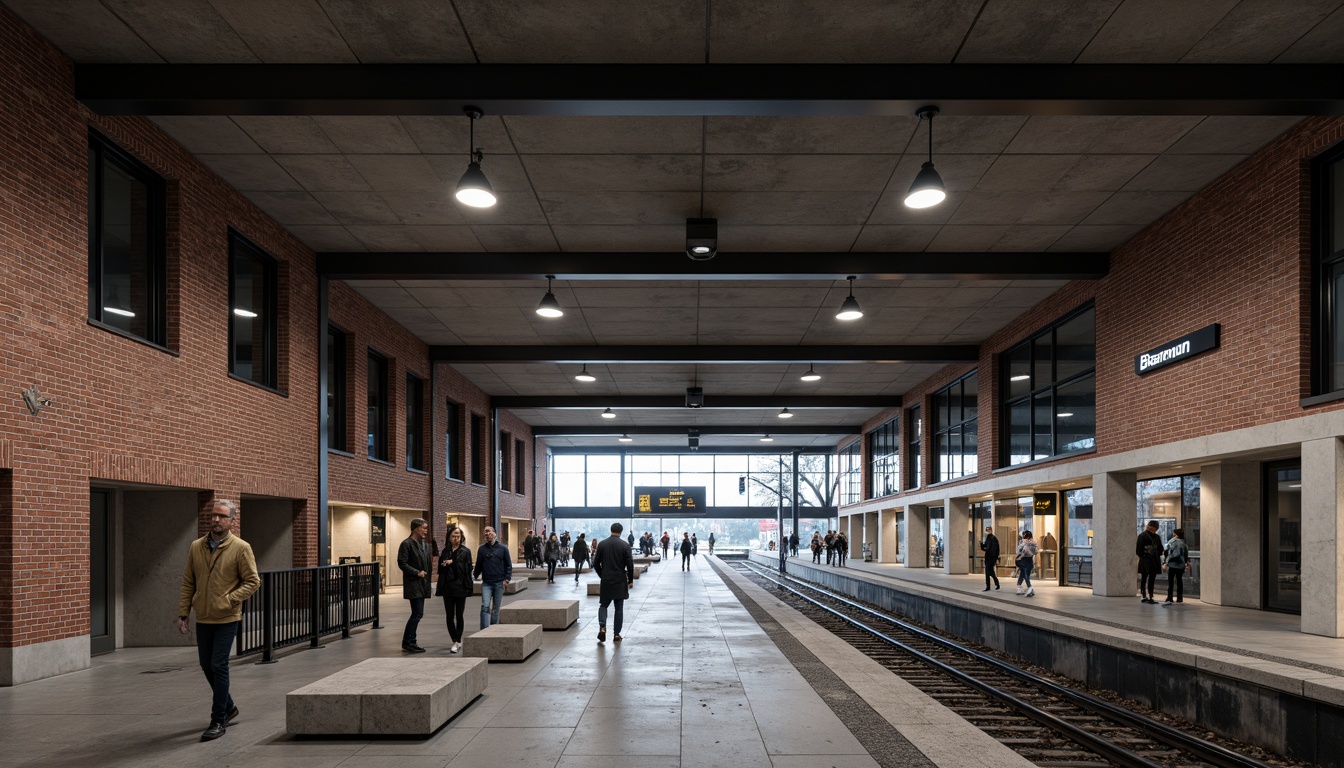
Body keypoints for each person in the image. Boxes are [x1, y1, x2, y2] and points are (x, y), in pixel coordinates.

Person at [178, 499, 261, 742]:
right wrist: (184, 613)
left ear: (232, 521)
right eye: (214, 515)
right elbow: (188, 582)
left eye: (222, 516)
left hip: (227, 617)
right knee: (206, 665)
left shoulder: (241, 547)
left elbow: (253, 581)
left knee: (219, 664)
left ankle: (217, 719)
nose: (216, 519)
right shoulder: (196, 546)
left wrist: (230, 600)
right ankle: (230, 706)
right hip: (203, 617)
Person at [593, 522, 635, 643]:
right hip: (620, 581)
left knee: (603, 605)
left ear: (611, 530)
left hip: (606, 581)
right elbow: (630, 565)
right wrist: (630, 580)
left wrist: (603, 575)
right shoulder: (625, 545)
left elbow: (595, 564)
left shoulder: (602, 544)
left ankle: (602, 627)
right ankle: (616, 634)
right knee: (619, 608)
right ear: (621, 531)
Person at [397, 517, 433, 653]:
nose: (425, 531)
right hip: (414, 583)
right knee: (417, 613)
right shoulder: (406, 544)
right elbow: (402, 562)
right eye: (423, 528)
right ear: (416, 528)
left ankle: (411, 640)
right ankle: (408, 641)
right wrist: (416, 572)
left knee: (418, 613)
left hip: (422, 584)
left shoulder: (424, 544)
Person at [436, 525, 472, 653]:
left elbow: (468, 568)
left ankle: (458, 640)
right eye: (453, 536)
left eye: (458, 536)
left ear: (461, 537)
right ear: (449, 537)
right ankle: (454, 640)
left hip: (460, 587)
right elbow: (440, 567)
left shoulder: (465, 551)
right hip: (448, 587)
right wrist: (444, 563)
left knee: (459, 615)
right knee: (449, 615)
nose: (456, 538)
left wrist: (454, 562)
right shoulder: (446, 550)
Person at [474, 525, 512, 628]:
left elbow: (508, 565)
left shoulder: (503, 548)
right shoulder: (481, 549)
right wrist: (474, 575)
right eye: (485, 532)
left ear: (494, 533)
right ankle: (484, 630)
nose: (487, 534)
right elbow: (478, 564)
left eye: (488, 531)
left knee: (496, 608)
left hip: (499, 583)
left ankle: (494, 629)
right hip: (487, 583)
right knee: (485, 606)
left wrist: (507, 579)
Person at [1136, 520, 1163, 604]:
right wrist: (1145, 555)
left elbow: (1160, 549)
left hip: (1152, 560)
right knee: (1146, 577)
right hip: (1147, 560)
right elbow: (1138, 550)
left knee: (1150, 578)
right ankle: (1145, 595)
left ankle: (1149, 595)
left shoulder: (1155, 537)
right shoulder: (1143, 536)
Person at [1163, 527, 1189, 604]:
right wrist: (1184, 562)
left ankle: (1170, 597)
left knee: (1170, 581)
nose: (1173, 534)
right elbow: (1186, 555)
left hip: (1172, 564)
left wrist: (1165, 562)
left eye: (1174, 532)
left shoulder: (1171, 541)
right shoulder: (1183, 543)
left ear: (1176, 534)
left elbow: (1167, 552)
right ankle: (1179, 598)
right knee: (1179, 581)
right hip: (1180, 564)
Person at [1015, 530, 1038, 596]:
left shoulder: (1024, 543)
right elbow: (1036, 552)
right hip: (1030, 560)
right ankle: (1019, 586)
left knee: (1025, 574)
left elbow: (1023, 551)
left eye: (1023, 535)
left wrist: (1019, 557)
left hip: (1023, 560)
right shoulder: (1034, 543)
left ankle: (1029, 587)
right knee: (1024, 574)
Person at [980, 526, 1001, 591]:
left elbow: (994, 549)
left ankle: (988, 586)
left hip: (991, 558)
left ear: (991, 530)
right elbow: (985, 548)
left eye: (988, 530)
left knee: (987, 572)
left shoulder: (993, 538)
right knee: (991, 572)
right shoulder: (988, 538)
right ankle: (997, 583)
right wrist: (982, 545)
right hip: (988, 557)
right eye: (986, 530)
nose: (987, 531)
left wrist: (995, 558)